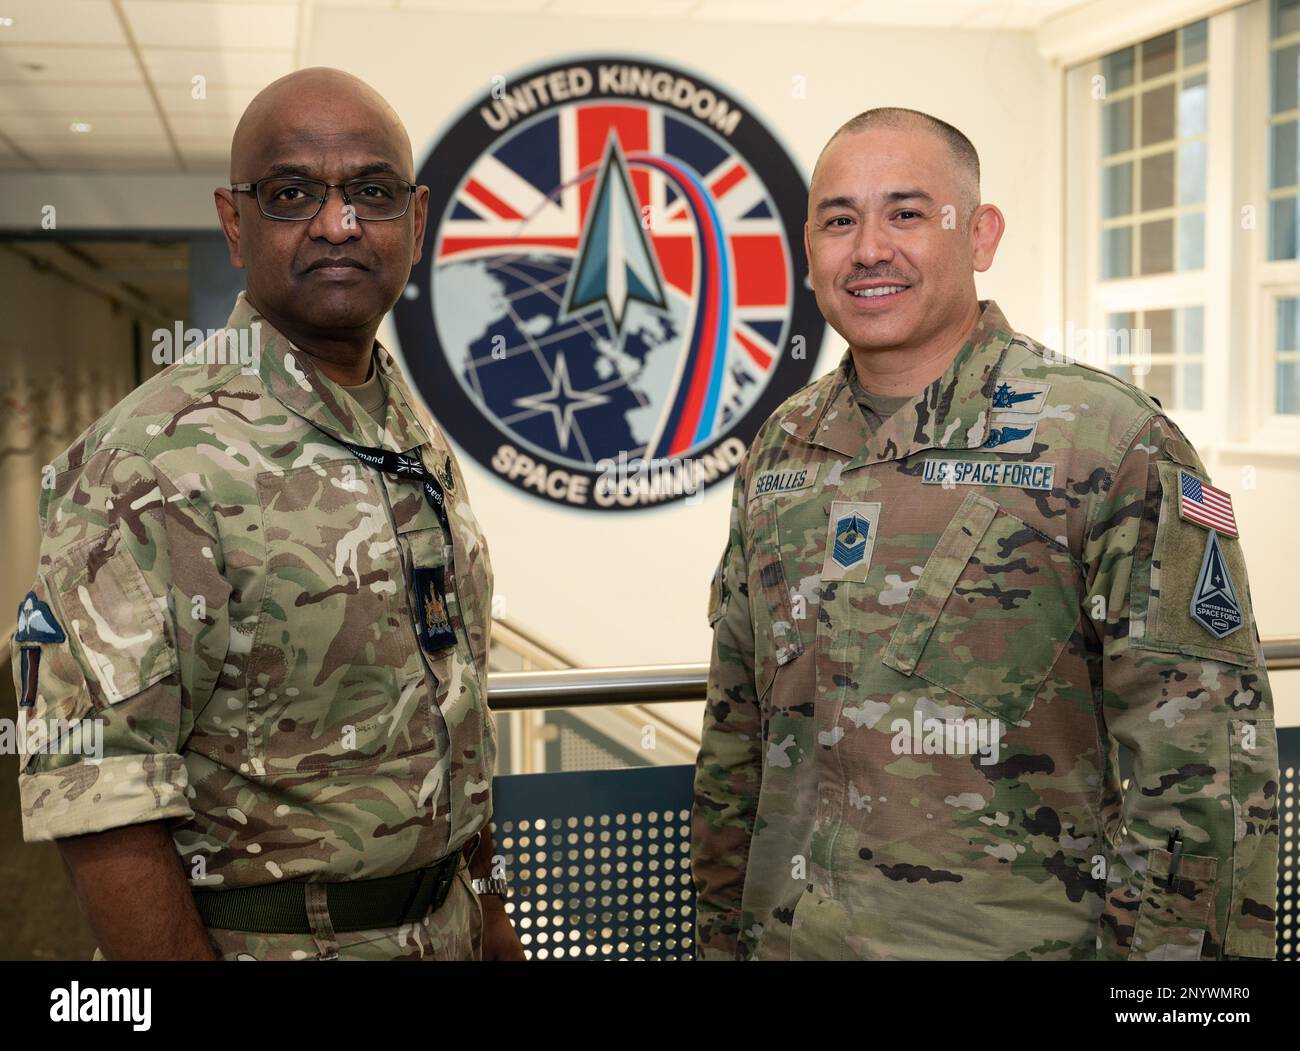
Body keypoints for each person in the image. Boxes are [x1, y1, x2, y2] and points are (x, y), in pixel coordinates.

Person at [691, 107, 1279, 961]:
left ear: (980, 234)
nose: (869, 249)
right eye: (839, 219)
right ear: (810, 247)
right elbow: (736, 741)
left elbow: (1206, 773)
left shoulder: (1107, 440)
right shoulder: (782, 448)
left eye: (906, 212)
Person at [10, 68, 523, 961]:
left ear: (416, 216)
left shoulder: (408, 432)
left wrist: (489, 919)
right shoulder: (148, 460)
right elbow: (102, 796)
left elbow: (449, 712)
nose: (339, 223)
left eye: (373, 191)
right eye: (292, 194)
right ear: (234, 221)